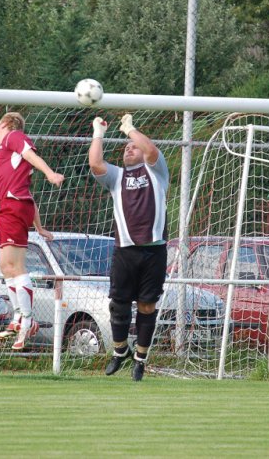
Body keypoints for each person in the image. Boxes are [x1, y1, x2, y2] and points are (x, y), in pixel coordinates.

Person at [88, 114, 169, 381]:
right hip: (125, 250)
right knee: (119, 304)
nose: (129, 148)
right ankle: (120, 351)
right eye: (126, 147)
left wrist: (129, 129)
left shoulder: (156, 172)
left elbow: (151, 150)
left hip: (154, 251)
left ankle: (140, 359)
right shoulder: (117, 177)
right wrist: (98, 133)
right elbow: (95, 163)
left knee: (147, 306)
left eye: (134, 146)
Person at [0, 112, 64, 350]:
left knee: (15, 267)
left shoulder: (13, 136)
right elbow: (27, 195)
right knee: (6, 266)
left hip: (13, 206)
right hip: (15, 206)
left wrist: (49, 173)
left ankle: (27, 319)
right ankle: (18, 316)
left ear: (5, 124)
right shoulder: (6, 150)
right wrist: (39, 227)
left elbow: (31, 154)